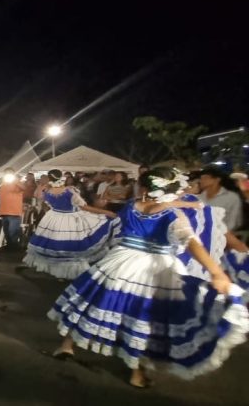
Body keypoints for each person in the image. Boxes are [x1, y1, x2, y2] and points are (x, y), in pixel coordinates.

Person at [48, 167, 247, 388]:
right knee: (143, 321)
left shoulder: (133, 207)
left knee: (92, 302)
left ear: (144, 188)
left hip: (120, 262)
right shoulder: (172, 214)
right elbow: (191, 242)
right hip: (155, 268)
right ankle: (136, 373)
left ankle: (66, 346)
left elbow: (140, 214)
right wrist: (217, 273)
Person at [23, 169, 119, 280]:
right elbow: (84, 207)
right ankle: (66, 272)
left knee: (55, 245)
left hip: (52, 218)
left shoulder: (47, 192)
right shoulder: (70, 191)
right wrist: (107, 212)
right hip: (69, 219)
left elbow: (41, 199)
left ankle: (56, 270)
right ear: (62, 177)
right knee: (69, 246)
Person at [197, 166, 244, 231]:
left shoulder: (231, 197)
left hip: (222, 236)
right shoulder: (198, 197)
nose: (201, 181)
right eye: (201, 178)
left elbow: (233, 223)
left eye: (205, 178)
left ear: (217, 180)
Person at [0, 170, 25, 250]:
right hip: (4, 211)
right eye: (6, 173)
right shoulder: (3, 184)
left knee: (13, 230)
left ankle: (14, 246)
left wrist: (15, 180)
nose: (8, 174)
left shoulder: (17, 183)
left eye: (10, 173)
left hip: (14, 212)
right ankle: (9, 245)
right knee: (6, 230)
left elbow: (24, 188)